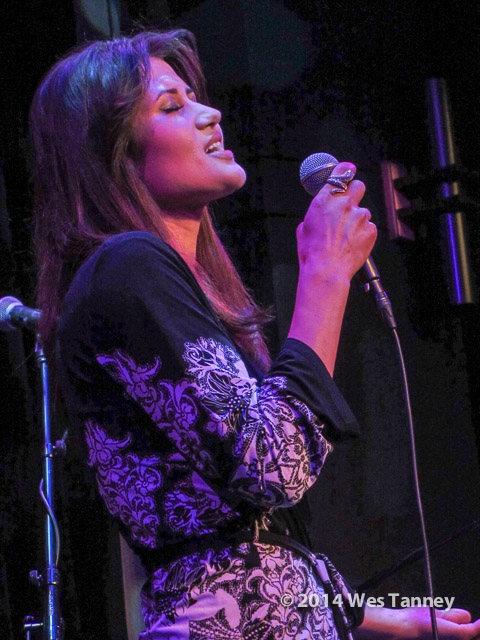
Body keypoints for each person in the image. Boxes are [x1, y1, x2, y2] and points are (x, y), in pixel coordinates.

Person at [30, 29, 480, 640]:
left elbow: (245, 538)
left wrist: (388, 620)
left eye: (196, 96)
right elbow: (272, 465)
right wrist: (324, 273)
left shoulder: (156, 280)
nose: (209, 113)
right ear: (113, 151)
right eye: (172, 106)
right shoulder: (127, 266)